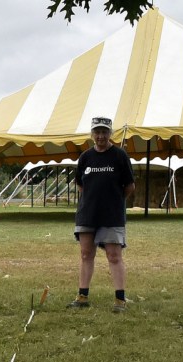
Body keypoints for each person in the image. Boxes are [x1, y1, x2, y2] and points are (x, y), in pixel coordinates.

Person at [67, 116, 135, 313]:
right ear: (92, 134)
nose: (100, 136)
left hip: (112, 215)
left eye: (104, 132)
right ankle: (82, 296)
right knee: (86, 254)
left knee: (114, 256)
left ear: (110, 134)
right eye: (97, 132)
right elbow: (80, 185)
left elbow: (130, 186)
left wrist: (113, 200)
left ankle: (120, 300)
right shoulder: (85, 157)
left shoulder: (120, 156)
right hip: (87, 214)